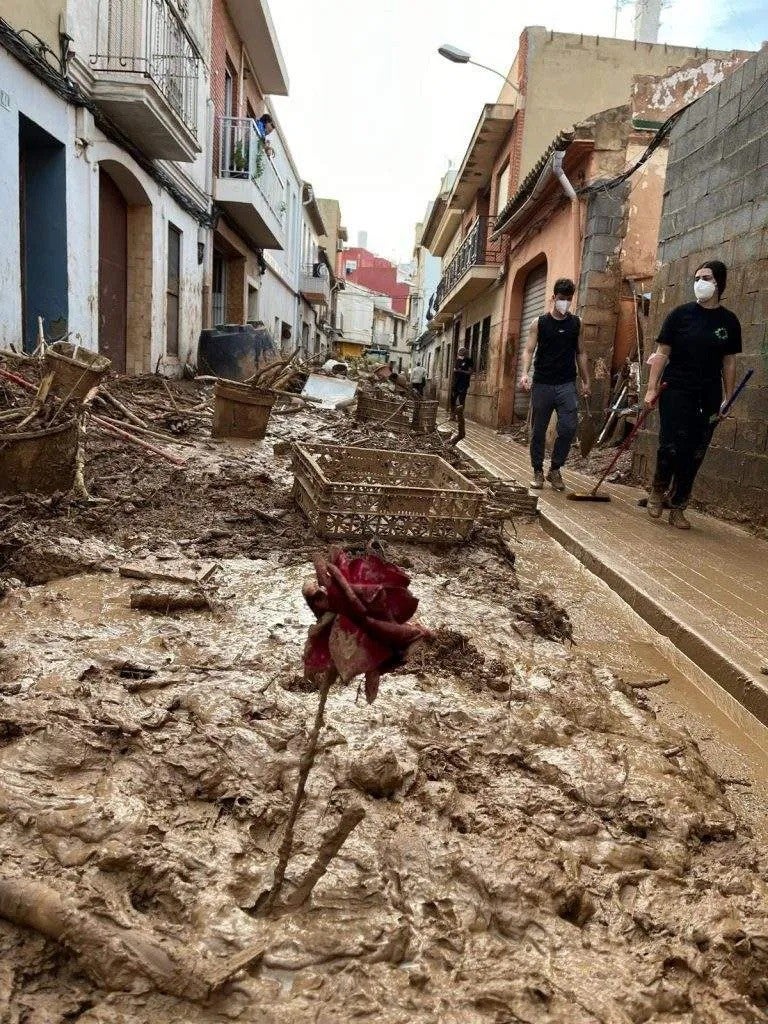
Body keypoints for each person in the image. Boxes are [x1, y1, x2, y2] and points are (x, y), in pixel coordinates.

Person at [644, 259, 741, 530]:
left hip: (708, 394)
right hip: (675, 389)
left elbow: (729, 362)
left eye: (706, 278)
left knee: (695, 451)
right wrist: (651, 389)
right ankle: (658, 489)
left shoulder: (729, 322)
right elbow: (662, 354)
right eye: (697, 278)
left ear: (719, 283)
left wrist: (728, 397)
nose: (700, 283)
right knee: (670, 444)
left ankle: (678, 505)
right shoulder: (680, 315)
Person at [520, 278, 591, 490]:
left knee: (569, 428)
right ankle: (538, 471)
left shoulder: (577, 323)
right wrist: (524, 373)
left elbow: (581, 352)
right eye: (561, 298)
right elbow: (528, 350)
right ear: (553, 297)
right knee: (538, 431)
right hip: (542, 384)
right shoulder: (539, 323)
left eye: (568, 299)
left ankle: (555, 469)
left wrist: (586, 380)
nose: (565, 303)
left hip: (566, 384)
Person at [450, 347, 473, 419]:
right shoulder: (458, 360)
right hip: (455, 383)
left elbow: (470, 372)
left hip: (464, 383)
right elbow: (455, 370)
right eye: (459, 351)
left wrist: (461, 371)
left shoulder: (469, 360)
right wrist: (455, 371)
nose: (460, 352)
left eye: (461, 351)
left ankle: (460, 417)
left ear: (465, 353)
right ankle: (452, 415)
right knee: (453, 399)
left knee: (461, 400)